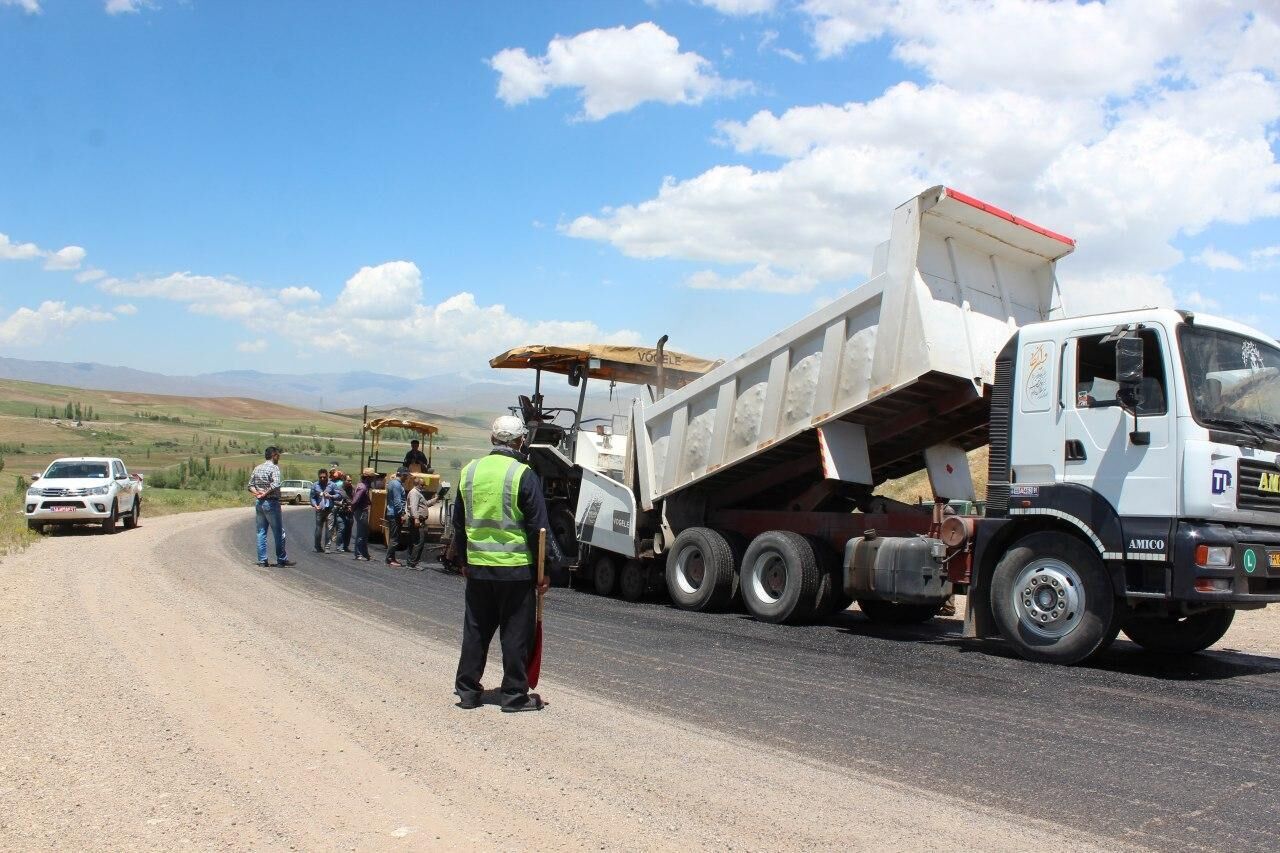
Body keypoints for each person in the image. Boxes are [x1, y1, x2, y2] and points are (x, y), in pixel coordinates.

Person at [452, 415, 562, 713]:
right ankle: (514, 696)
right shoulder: (522, 474)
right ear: (521, 441)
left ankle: (468, 692)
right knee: (515, 634)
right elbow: (539, 528)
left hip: (478, 569)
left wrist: (463, 560)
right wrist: (546, 570)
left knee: (476, 631)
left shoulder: (469, 472)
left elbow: (458, 523)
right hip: (516, 571)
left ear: (492, 439)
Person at [248, 446, 293, 568]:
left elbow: (250, 485)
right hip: (271, 502)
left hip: (259, 503)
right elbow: (276, 484)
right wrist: (265, 493)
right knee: (278, 532)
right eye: (278, 455)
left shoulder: (257, 468)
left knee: (261, 532)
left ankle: (263, 560)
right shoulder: (274, 468)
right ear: (274, 455)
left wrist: (257, 493)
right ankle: (281, 559)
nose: (279, 457)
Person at [406, 475, 441, 570]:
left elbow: (425, 504)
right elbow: (413, 507)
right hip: (417, 521)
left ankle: (411, 562)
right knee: (418, 542)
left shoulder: (418, 493)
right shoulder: (414, 493)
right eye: (422, 485)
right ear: (417, 484)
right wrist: (416, 519)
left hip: (418, 520)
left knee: (415, 541)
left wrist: (436, 499)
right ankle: (413, 563)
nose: (424, 486)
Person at [384, 466, 410, 567]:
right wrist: (402, 514)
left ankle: (392, 557)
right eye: (406, 476)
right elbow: (397, 501)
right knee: (394, 538)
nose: (407, 478)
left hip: (392, 513)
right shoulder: (396, 485)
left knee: (394, 537)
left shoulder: (393, 483)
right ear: (403, 475)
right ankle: (390, 559)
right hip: (395, 514)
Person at [351, 468, 374, 561]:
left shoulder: (363, 486)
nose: (373, 479)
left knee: (364, 533)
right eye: (372, 477)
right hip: (361, 512)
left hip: (361, 511)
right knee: (361, 533)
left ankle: (364, 553)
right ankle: (358, 553)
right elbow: (355, 500)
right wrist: (353, 508)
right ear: (368, 478)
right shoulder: (363, 487)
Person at [309, 469, 332, 553]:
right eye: (320, 477)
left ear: (327, 476)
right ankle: (317, 546)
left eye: (324, 477)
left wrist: (331, 496)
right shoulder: (315, 485)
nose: (322, 479)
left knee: (329, 528)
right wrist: (315, 505)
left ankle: (327, 547)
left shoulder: (331, 485)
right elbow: (312, 497)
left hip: (330, 509)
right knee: (319, 529)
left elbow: (338, 495)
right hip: (319, 510)